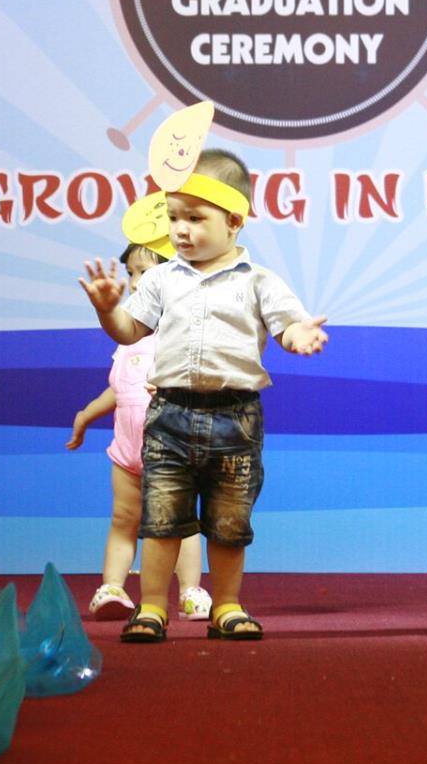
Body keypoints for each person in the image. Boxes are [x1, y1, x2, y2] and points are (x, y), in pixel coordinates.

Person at [79, 149, 327, 643]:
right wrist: (108, 311)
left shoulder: (258, 280)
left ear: (234, 220)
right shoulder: (160, 279)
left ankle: (227, 605)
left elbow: (288, 323)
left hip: (235, 418)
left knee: (229, 522)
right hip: (169, 414)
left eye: (195, 218)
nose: (180, 230)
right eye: (174, 217)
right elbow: (130, 330)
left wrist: (298, 334)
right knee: (162, 519)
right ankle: (152, 607)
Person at [68, 240, 210, 623]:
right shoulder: (129, 337)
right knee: (122, 519)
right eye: (130, 273)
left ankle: (190, 591)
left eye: (144, 272)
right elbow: (119, 388)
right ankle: (112, 587)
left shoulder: (184, 331)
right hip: (127, 451)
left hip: (172, 450)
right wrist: (85, 415)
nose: (134, 281)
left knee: (180, 523)